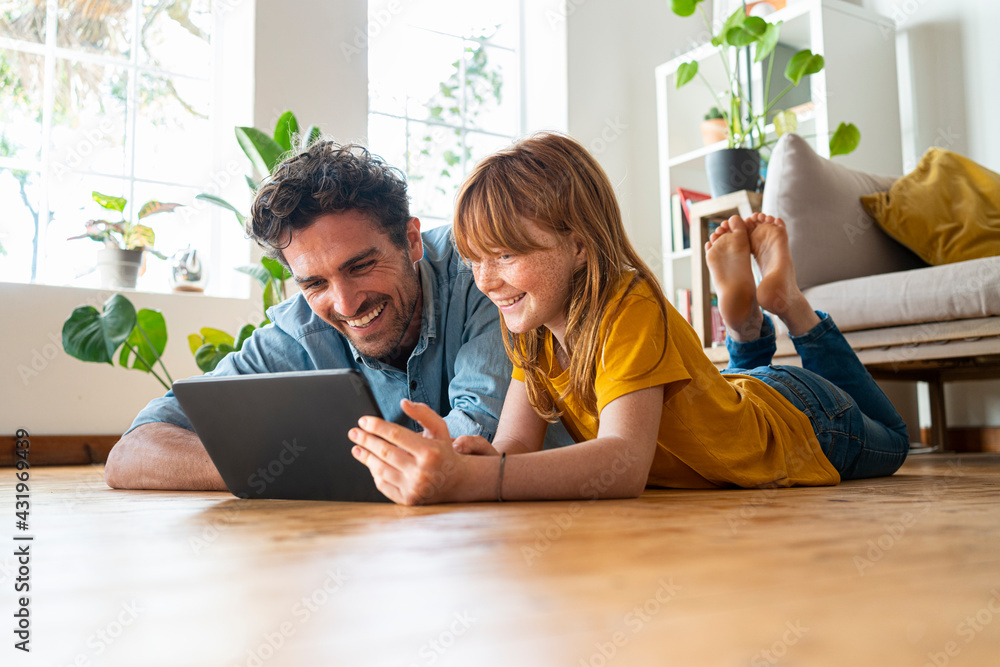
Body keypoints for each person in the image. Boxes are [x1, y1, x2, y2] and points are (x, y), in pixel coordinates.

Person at [348, 132, 910, 505]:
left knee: (897, 441)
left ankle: (788, 304)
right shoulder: (531, 325)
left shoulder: (629, 305)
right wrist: (472, 456)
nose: (486, 281)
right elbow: (515, 448)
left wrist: (479, 482)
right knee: (723, 397)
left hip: (806, 419)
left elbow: (622, 465)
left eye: (505, 256)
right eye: (474, 260)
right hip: (734, 396)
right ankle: (744, 328)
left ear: (579, 245)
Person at [104, 140, 568, 491]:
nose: (345, 305)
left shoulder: (485, 275)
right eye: (315, 283)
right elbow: (133, 451)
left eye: (361, 266)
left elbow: (474, 444)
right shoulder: (297, 330)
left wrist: (316, 465)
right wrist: (274, 470)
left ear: (411, 241)